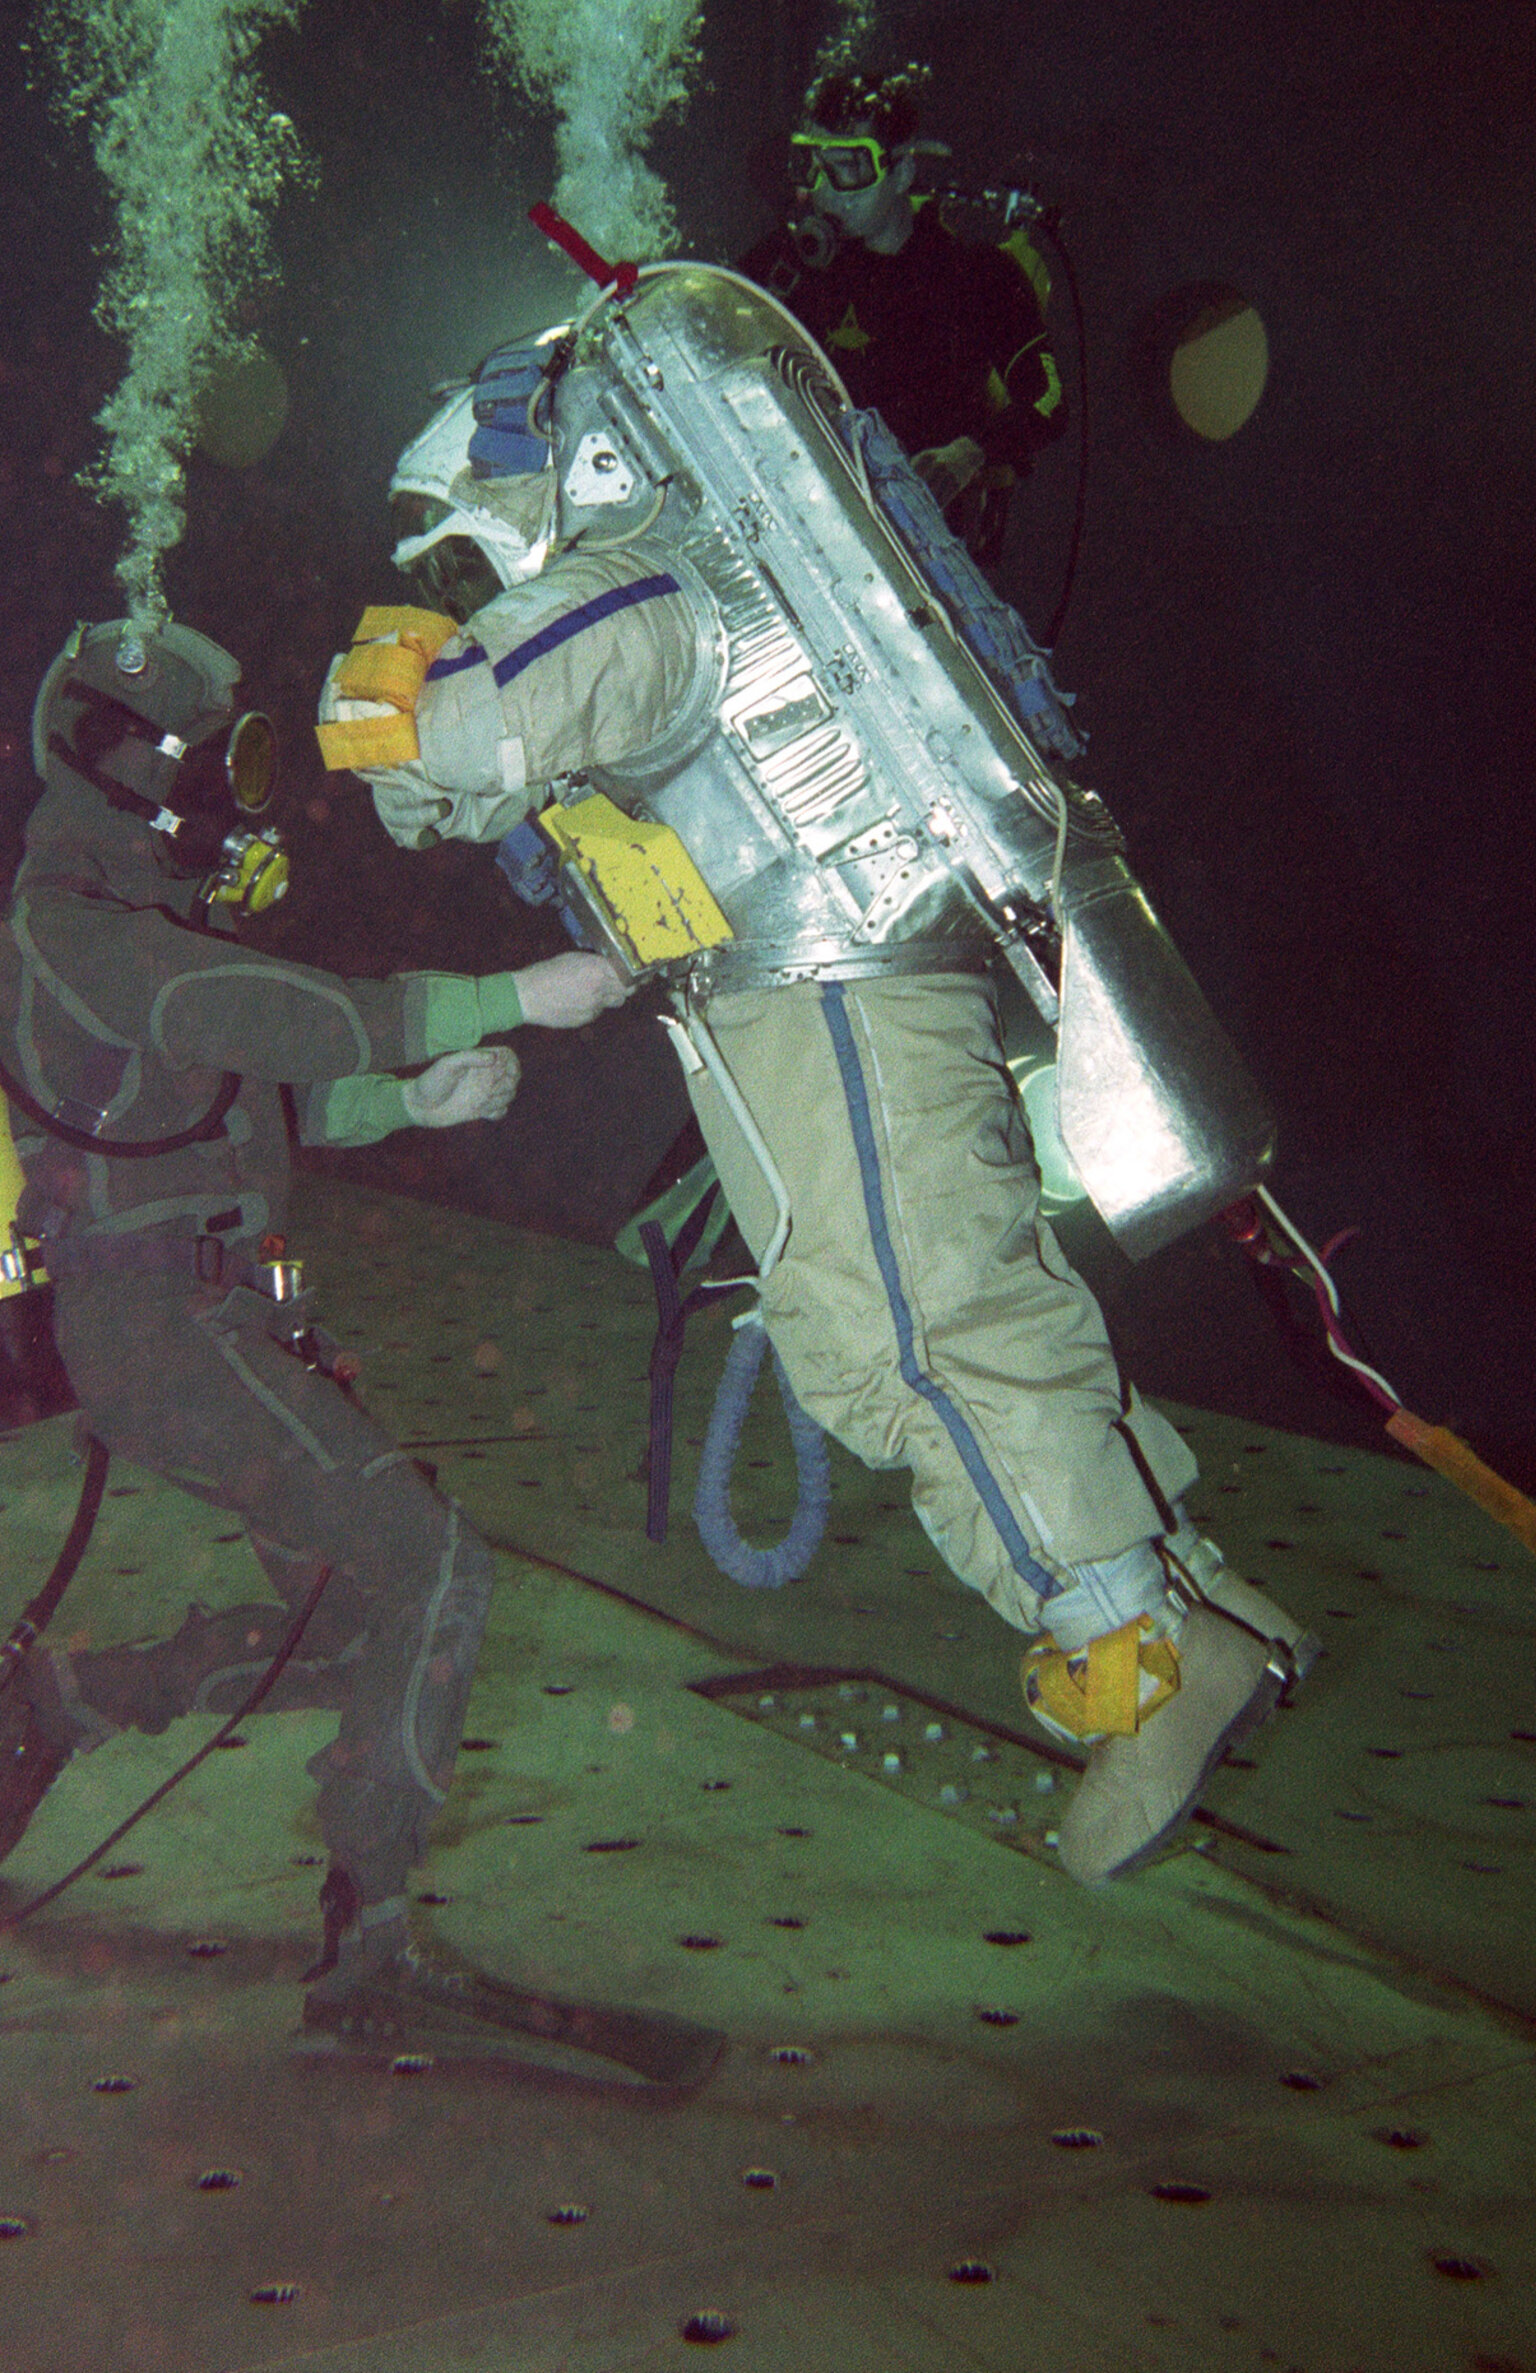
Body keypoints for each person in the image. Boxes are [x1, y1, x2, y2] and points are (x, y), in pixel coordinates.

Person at [320, 268, 1315, 1893]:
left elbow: (454, 738)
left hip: (832, 993)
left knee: (919, 1328)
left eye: (461, 553)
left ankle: (1138, 1646)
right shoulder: (684, 574)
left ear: (546, 479)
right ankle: (1185, 1588)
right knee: (897, 1326)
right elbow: (481, 779)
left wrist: (381, 677)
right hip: (811, 996)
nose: (458, 585)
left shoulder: (635, 579)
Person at [0, 616, 718, 2077]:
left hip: (216, 1318)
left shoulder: (133, 918)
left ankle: (71, 1702)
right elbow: (252, 1014)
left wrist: (410, 1105)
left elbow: (232, 1096)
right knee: (435, 1567)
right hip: (158, 1326)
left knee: (357, 1621)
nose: (233, 803)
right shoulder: (74, 926)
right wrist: (510, 994)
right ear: (123, 769)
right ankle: (366, 1956)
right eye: (215, 767)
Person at [738, 65, 1065, 565]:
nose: (825, 191)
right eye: (812, 165)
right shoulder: (791, 260)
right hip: (793, 511)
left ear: (903, 172)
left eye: (849, 167)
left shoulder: (973, 273)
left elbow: (1048, 400)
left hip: (912, 542)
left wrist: (969, 454)